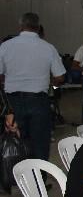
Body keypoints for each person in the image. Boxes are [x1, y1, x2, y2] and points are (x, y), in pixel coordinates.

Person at [0, 12, 65, 164]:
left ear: (20, 26)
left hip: (12, 102)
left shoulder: (6, 46)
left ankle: (17, 175)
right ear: (38, 27)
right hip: (38, 101)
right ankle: (38, 181)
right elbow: (60, 77)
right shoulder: (48, 48)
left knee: (17, 140)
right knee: (40, 143)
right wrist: (51, 83)